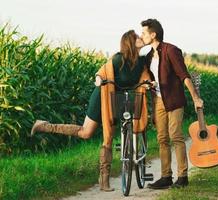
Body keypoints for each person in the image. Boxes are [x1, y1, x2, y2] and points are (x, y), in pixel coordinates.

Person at [31, 30, 151, 192]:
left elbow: (145, 76)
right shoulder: (118, 59)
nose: (140, 38)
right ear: (130, 42)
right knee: (86, 133)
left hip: (123, 98)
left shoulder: (141, 62)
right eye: (137, 37)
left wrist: (149, 82)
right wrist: (99, 79)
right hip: (103, 97)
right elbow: (102, 71)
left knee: (114, 133)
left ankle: (105, 180)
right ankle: (45, 126)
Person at [140, 19, 204, 189]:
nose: (142, 35)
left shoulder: (171, 50)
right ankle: (166, 176)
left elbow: (184, 75)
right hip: (159, 100)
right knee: (162, 138)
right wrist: (149, 84)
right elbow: (153, 78)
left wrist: (195, 97)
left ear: (153, 35)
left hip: (174, 99)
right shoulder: (147, 57)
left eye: (144, 33)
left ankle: (182, 176)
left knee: (175, 135)